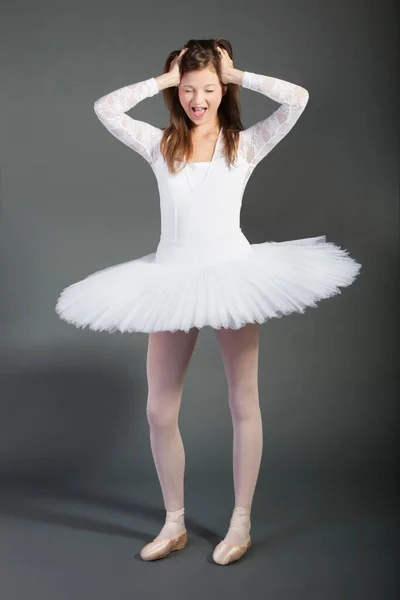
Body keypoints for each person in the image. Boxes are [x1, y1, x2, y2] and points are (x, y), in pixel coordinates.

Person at [55, 38, 362, 565]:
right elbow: (106, 108)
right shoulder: (160, 145)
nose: (199, 99)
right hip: (171, 277)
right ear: (178, 90)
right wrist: (161, 81)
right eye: (190, 90)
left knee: (243, 401)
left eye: (210, 89)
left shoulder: (244, 144)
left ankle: (240, 522)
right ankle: (173, 522)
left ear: (224, 90)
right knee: (158, 410)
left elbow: (298, 99)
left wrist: (237, 73)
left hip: (233, 276)